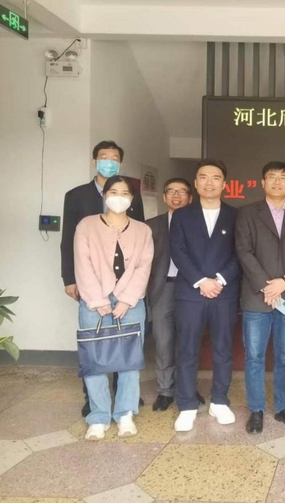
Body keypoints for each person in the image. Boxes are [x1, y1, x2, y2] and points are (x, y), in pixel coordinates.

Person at [61, 140, 145, 417]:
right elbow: (69, 242)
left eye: (114, 157)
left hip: (127, 291)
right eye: (103, 157)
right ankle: (95, 403)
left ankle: (125, 403)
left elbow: (140, 250)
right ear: (95, 161)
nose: (109, 161)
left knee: (128, 351)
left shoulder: (136, 207)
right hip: (92, 286)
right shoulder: (77, 197)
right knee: (94, 349)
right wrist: (70, 279)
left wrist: (129, 296)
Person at [235, 161, 285, 434]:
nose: (277, 182)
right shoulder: (247, 213)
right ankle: (256, 409)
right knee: (254, 357)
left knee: (284, 356)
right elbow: (243, 251)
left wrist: (284, 281)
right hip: (257, 297)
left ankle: (283, 407)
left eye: (283, 178)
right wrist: (266, 286)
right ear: (262, 182)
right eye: (272, 177)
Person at [73, 176, 153, 440]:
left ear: (132, 198)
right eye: (113, 192)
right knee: (94, 362)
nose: (119, 197)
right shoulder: (87, 225)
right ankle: (98, 416)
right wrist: (98, 300)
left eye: (125, 193)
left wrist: (128, 299)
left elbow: (143, 267)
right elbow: (83, 264)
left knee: (129, 362)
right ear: (104, 195)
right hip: (94, 302)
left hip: (131, 303)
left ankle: (125, 413)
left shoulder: (143, 230)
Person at [170, 159, 241, 432]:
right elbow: (178, 251)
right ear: (196, 183)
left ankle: (219, 401)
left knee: (223, 349)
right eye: (203, 177)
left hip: (224, 292)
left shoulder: (236, 216)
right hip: (190, 293)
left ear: (225, 184)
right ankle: (187, 404)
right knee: (187, 350)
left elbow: (241, 253)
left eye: (216, 177)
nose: (209, 182)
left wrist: (219, 280)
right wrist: (201, 281)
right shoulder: (182, 215)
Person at [146, 178, 205, 411]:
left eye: (182, 192)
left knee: (189, 341)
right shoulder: (151, 226)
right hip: (163, 288)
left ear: (190, 197)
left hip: (192, 287)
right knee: (163, 341)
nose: (176, 196)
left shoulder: (200, 224)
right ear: (164, 197)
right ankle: (165, 390)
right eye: (171, 191)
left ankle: (188, 387)